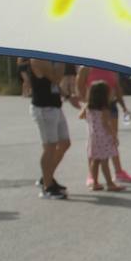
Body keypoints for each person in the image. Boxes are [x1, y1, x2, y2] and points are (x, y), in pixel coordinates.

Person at [76, 65, 131, 184]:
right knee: (95, 142)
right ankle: (92, 176)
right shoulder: (86, 67)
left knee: (111, 142)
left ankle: (119, 172)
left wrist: (124, 107)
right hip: (94, 107)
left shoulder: (111, 66)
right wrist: (86, 105)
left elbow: (117, 88)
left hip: (111, 105)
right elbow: (79, 87)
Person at [28, 58, 79, 199]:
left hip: (55, 105)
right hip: (43, 108)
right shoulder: (37, 59)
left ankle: (46, 177)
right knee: (50, 146)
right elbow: (56, 78)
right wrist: (62, 59)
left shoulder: (52, 59)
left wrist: (67, 96)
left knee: (65, 143)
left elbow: (54, 84)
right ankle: (47, 188)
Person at [83, 81, 125, 191]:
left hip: (93, 137)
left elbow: (81, 116)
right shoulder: (104, 109)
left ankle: (95, 182)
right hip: (103, 137)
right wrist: (114, 135)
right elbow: (106, 124)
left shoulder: (89, 107)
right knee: (104, 160)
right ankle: (110, 183)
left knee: (95, 160)